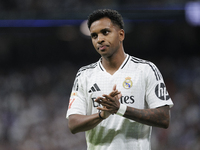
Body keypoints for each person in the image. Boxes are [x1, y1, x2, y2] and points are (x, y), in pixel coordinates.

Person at [66, 9, 174, 150]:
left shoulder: (145, 70)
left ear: (121, 34)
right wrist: (102, 115)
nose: (99, 39)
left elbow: (164, 118)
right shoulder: (85, 75)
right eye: (94, 35)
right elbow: (73, 124)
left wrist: (120, 108)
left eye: (105, 32)